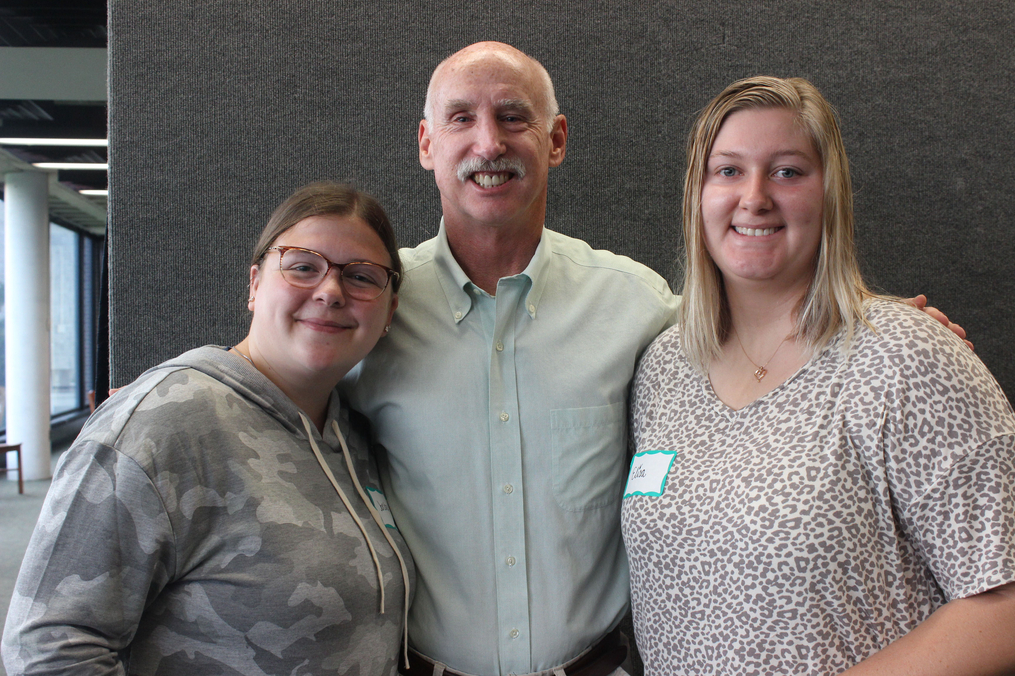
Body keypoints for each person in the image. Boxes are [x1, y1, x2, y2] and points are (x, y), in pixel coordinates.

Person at [343, 44, 970, 676]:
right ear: (426, 144)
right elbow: (278, 397)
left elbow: (766, 327)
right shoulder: (365, 311)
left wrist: (891, 332)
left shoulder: (638, 310)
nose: (489, 142)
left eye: (513, 117)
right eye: (460, 118)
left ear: (556, 140)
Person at [621, 76, 1015, 675]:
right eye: (728, 171)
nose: (754, 197)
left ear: (830, 194)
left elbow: (1006, 602)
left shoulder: (903, 357)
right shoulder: (664, 368)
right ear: (697, 195)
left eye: (787, 171)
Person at [2, 182, 414, 675]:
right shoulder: (163, 421)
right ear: (256, 284)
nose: (330, 291)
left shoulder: (352, 434)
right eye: (303, 266)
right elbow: (49, 647)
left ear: (388, 311)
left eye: (362, 276)